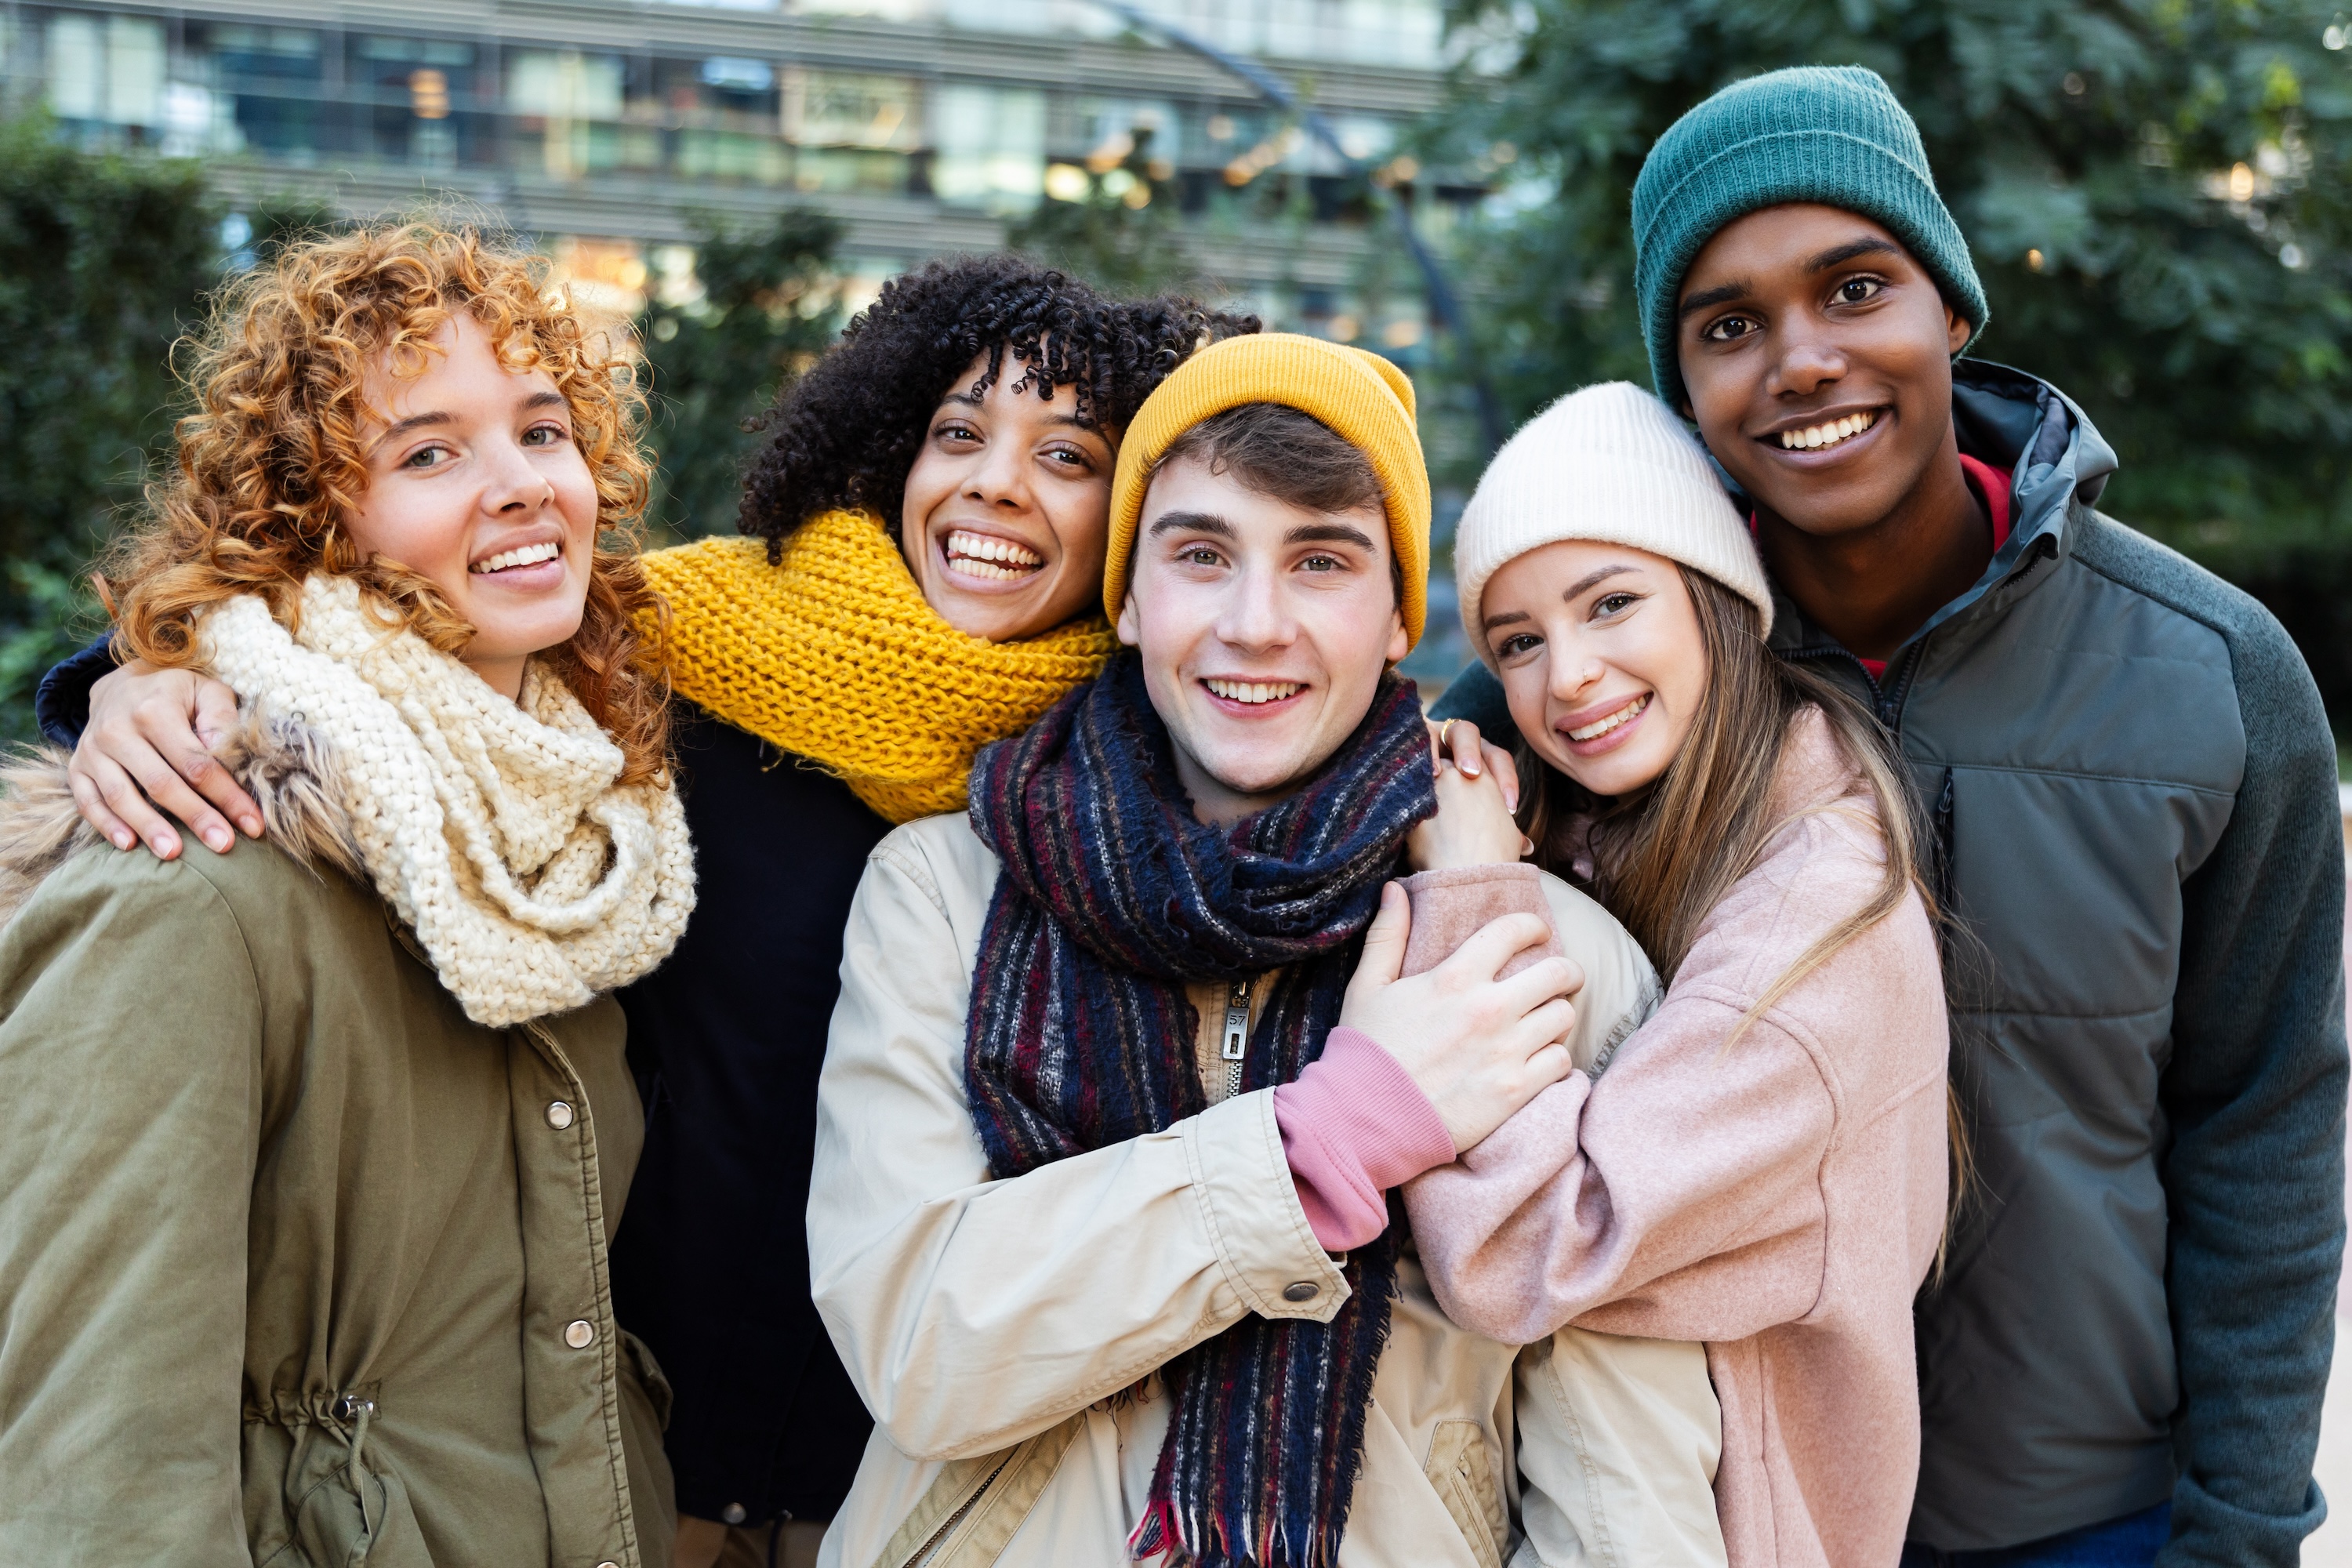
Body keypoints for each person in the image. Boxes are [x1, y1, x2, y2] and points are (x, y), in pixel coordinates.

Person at [31, 254, 1259, 1568]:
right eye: (958, 432)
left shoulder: (1161, 773)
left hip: (924, 1490)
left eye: (1069, 456)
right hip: (617, 1467)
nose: (997, 483)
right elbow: (360, 641)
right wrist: (133, 685)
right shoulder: (675, 660)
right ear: (891, 449)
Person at [1436, 66, 2347, 1567]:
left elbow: (2266, 1125)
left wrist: (2242, 1528)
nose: (1802, 360)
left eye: (1855, 287)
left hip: (2089, 1515)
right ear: (1684, 394)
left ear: (1952, 311)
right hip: (1726, 1511)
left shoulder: (2215, 676)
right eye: (1728, 325)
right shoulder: (1586, 691)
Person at [808, 332, 1730, 1568]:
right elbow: (917, 1344)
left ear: (1403, 613)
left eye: (1321, 562)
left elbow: (1626, 1494)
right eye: (1201, 555)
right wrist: (1324, 1144)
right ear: (1127, 598)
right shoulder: (944, 890)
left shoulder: (1541, 959)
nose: (1255, 625)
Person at [0, 223, 691, 1563]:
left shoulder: (591, 839)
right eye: (428, 453)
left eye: (542, 430)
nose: (519, 486)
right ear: (307, 517)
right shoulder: (188, 880)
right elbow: (91, 1465)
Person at [1400, 379, 1950, 1567]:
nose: (1571, 676)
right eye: (1519, 644)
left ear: (1715, 600)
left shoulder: (1820, 923)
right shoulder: (1619, 833)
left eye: (1611, 604)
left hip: (1738, 1526)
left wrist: (1471, 898)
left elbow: (1525, 1256)